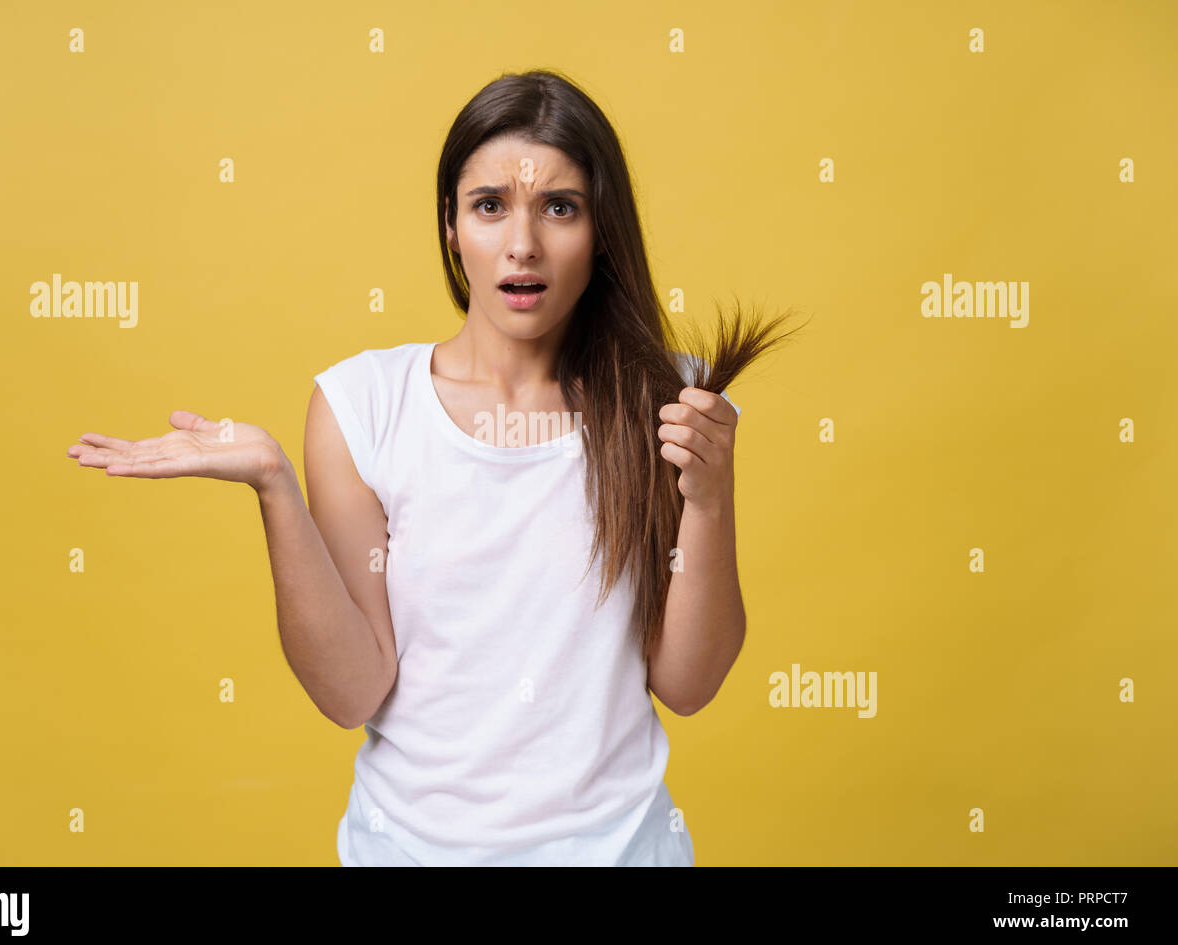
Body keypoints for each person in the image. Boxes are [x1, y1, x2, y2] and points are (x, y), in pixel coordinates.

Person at [66, 69, 806, 865]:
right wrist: (275, 486)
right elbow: (353, 692)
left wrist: (710, 500)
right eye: (490, 206)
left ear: (601, 231)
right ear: (452, 226)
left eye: (560, 208)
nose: (522, 244)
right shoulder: (363, 404)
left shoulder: (672, 399)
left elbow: (689, 685)